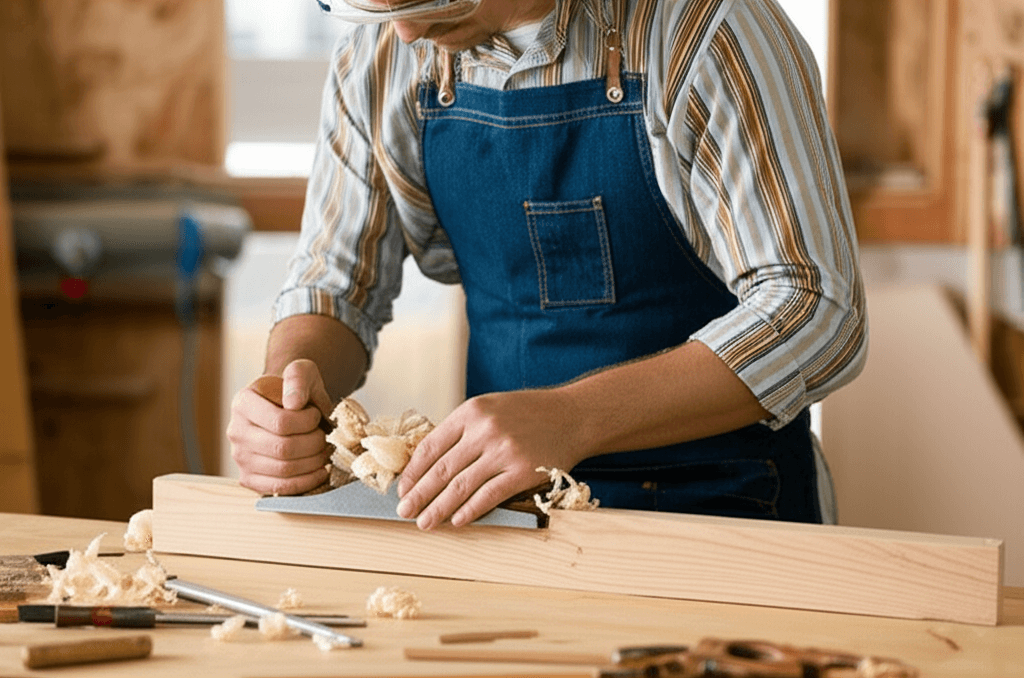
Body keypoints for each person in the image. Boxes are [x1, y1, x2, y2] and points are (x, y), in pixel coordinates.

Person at [227, 0, 867, 531]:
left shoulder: (707, 31)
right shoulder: (378, 56)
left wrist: (571, 419)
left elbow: (817, 311)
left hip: (725, 508)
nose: (407, 31)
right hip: (511, 514)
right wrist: (287, 392)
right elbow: (335, 287)